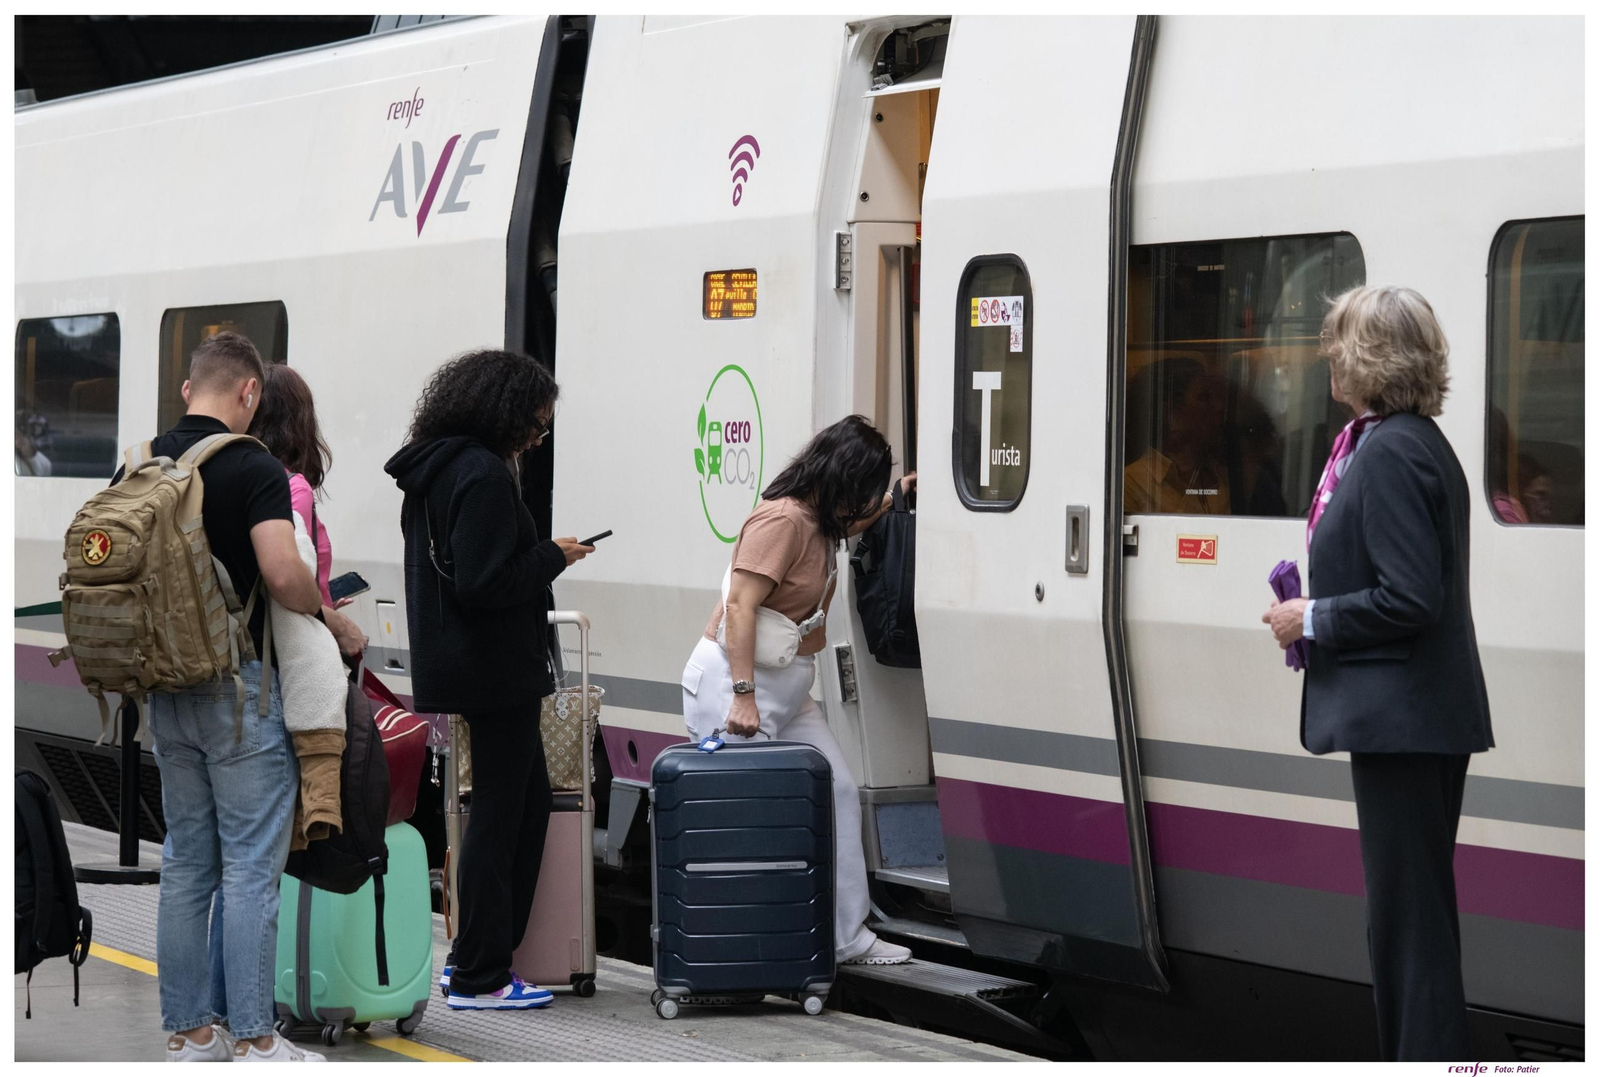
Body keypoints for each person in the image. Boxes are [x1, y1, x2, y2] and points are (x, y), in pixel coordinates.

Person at [1262, 285, 1493, 1061]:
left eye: (1340, 343)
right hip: (1415, 715)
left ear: (1372, 359)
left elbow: (1409, 596)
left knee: (1407, 928)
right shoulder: (1411, 441)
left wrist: (1312, 618)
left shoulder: (1390, 450)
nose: (1328, 354)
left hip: (1404, 719)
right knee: (1410, 921)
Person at [138, 333, 328, 1062]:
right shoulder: (253, 466)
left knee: (187, 859)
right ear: (249, 393)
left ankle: (189, 1032)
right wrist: (322, 607)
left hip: (164, 686)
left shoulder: (145, 458)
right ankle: (252, 1037)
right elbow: (283, 574)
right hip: (237, 689)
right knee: (251, 863)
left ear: (190, 390)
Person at [384, 349, 593, 1011]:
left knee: (520, 807)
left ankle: (479, 959)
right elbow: (486, 581)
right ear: (501, 409)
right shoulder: (482, 474)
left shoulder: (437, 466)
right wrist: (551, 557)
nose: (539, 433)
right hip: (494, 668)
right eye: (535, 419)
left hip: (469, 664)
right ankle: (479, 974)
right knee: (500, 817)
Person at [681, 414, 916, 967]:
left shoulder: (822, 520)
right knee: (750, 819)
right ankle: (742, 949)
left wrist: (893, 499)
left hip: (788, 690)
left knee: (836, 791)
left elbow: (856, 521)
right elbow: (739, 606)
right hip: (735, 684)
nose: (863, 502)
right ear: (840, 476)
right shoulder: (783, 520)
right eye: (862, 488)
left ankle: (846, 937)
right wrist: (743, 695)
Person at [1124, 358, 1231, 514]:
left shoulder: (1221, 472)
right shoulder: (1132, 485)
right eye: (1204, 398)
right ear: (1170, 412)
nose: (1218, 407)